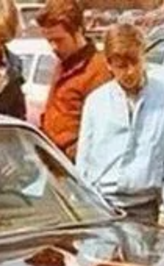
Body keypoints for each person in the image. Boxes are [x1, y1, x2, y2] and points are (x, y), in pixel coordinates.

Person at [76, 23, 164, 228]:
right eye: (120, 66)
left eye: (134, 63)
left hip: (147, 209)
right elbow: (84, 160)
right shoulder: (96, 102)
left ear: (143, 56)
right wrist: (86, 208)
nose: (129, 72)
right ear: (109, 65)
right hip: (104, 208)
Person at [36, 0, 111, 160]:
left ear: (78, 31)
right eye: (49, 41)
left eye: (59, 40)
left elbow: (104, 131)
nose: (54, 47)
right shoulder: (64, 63)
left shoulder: (98, 71)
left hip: (76, 166)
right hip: (53, 161)